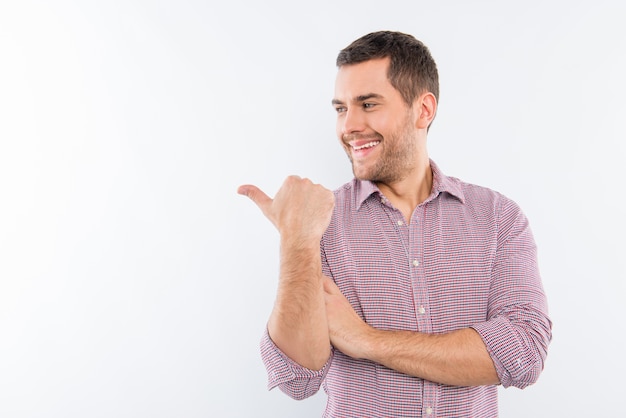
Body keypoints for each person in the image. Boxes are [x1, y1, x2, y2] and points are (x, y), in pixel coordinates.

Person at [238, 30, 552, 417]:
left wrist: (367, 340)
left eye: (368, 104)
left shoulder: (497, 217)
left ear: (423, 110)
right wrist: (297, 239)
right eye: (340, 108)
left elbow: (523, 352)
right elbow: (295, 379)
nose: (348, 126)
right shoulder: (320, 222)